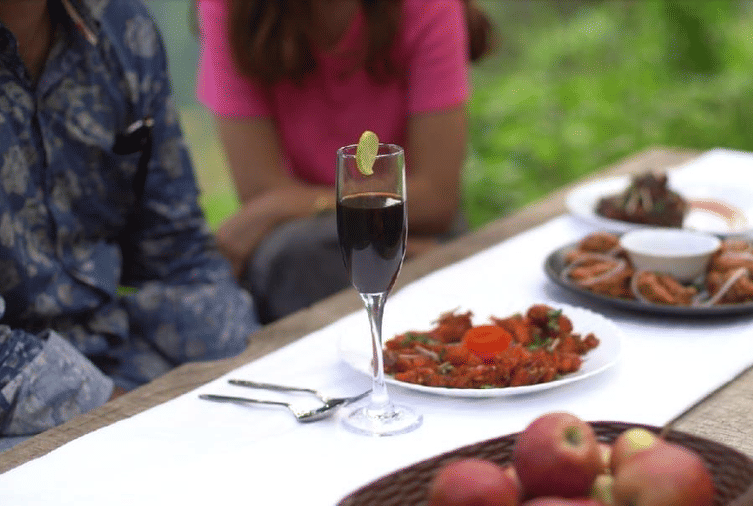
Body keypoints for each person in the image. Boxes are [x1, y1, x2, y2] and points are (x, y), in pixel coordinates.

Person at [0, 0, 260, 450]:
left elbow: (177, 249)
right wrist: (121, 415)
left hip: (119, 352)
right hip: (19, 407)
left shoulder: (121, 27)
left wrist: (250, 369)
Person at [195, 0, 493, 323]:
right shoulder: (230, 10)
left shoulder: (428, 7)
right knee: (293, 255)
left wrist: (287, 203)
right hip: (315, 238)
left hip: (404, 226)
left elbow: (435, 199)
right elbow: (258, 190)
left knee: (291, 257)